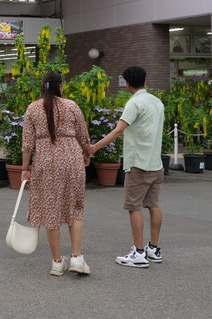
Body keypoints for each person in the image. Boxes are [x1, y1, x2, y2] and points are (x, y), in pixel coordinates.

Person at [89, 66, 165, 268]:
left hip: (138, 162)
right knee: (153, 205)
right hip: (156, 162)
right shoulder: (157, 102)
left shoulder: (134, 103)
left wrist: (94, 147)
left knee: (134, 207)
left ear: (127, 84)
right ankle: (154, 249)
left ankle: (139, 253)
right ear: (145, 81)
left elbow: (118, 131)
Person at [22, 70, 92, 276]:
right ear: (60, 86)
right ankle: (77, 258)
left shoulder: (33, 108)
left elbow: (27, 144)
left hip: (45, 161)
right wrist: (86, 153)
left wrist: (25, 169)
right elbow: (83, 134)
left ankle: (57, 262)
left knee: (51, 209)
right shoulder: (71, 105)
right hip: (71, 158)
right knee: (76, 207)